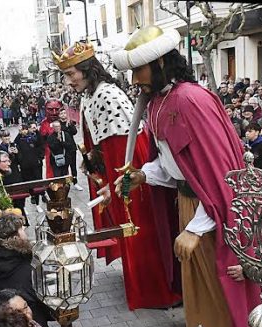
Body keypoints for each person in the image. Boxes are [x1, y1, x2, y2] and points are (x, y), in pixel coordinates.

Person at [111, 25, 262, 327]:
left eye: (137, 70)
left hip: (213, 214)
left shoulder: (189, 100)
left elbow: (219, 176)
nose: (133, 78)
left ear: (157, 64)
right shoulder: (159, 101)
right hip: (190, 205)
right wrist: (144, 175)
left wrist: (195, 227)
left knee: (221, 288)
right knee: (200, 287)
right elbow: (177, 165)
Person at [54, 40, 181, 310]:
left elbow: (124, 147)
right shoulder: (91, 94)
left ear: (87, 68)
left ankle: (157, 290)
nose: (68, 81)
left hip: (130, 175)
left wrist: (117, 185)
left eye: (70, 74)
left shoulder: (106, 94)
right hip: (114, 170)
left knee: (139, 227)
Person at [58, 109, 82, 190]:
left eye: (64, 113)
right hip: (64, 149)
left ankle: (75, 182)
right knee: (65, 168)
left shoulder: (69, 123)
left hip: (72, 148)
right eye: (61, 113)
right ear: (59, 115)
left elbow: (74, 132)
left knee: (73, 167)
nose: (63, 115)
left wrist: (70, 125)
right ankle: (67, 182)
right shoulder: (59, 125)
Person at [39, 100, 64, 179]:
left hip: (62, 149)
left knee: (63, 166)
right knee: (50, 168)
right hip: (49, 150)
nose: (54, 112)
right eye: (50, 109)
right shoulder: (44, 123)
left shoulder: (63, 122)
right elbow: (41, 138)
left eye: (56, 109)